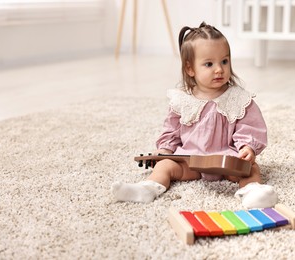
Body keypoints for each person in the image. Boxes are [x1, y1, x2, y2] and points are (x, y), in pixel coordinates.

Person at [112, 22, 277, 208]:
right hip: (190, 160)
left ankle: (253, 192)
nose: (219, 69)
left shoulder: (238, 98)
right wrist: (165, 151)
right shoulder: (182, 100)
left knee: (250, 169)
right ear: (190, 69)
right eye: (209, 64)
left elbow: (249, 127)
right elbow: (171, 131)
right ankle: (147, 188)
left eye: (224, 61)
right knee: (164, 165)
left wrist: (248, 148)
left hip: (225, 161)